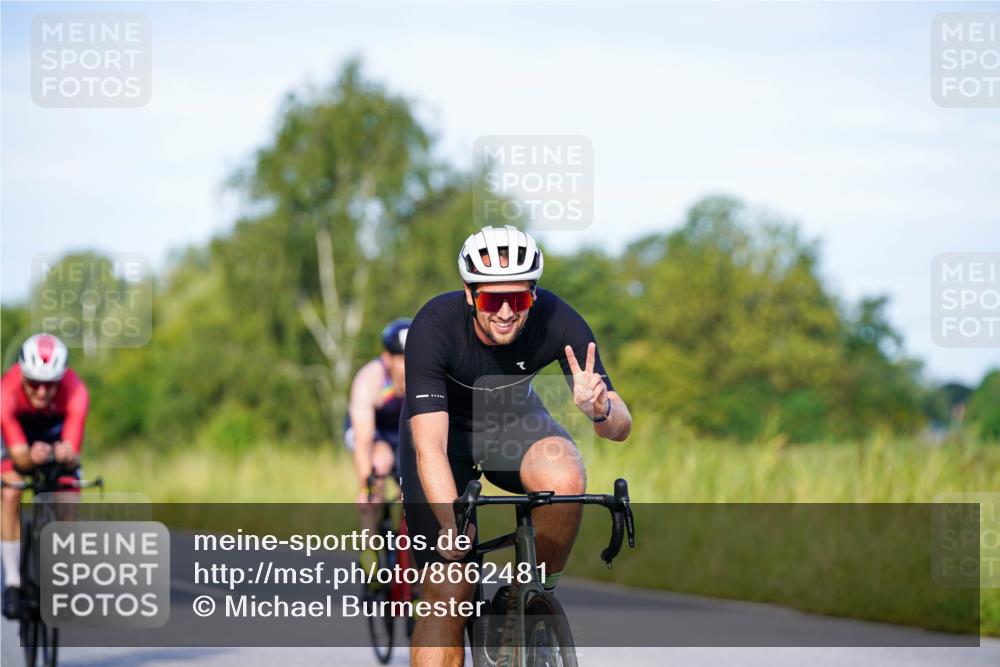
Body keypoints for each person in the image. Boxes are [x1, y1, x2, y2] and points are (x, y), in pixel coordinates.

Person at [400, 225, 632, 665]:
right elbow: (429, 447)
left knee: (565, 472)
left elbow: (620, 427)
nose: (506, 311)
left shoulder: (557, 320)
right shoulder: (435, 326)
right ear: (470, 296)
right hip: (445, 441)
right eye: (492, 299)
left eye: (519, 298)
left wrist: (601, 408)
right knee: (451, 587)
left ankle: (525, 598)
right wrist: (453, 528)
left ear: (534, 295)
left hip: (513, 426)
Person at [1, 333, 89, 620]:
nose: (41, 392)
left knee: (67, 497)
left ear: (61, 380)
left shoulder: (76, 392)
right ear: (23, 376)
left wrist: (65, 455)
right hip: (19, 442)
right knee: (11, 490)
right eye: (34, 384)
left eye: (49, 385)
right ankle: (13, 582)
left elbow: (73, 453)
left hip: (55, 437)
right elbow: (20, 458)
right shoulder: (6, 393)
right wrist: (30, 457)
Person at [345, 319, 409, 530]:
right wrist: (367, 485)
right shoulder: (370, 379)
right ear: (387, 358)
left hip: (405, 433)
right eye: (401, 358)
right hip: (374, 432)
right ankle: (369, 545)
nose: (407, 365)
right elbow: (363, 440)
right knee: (380, 464)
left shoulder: (425, 376)